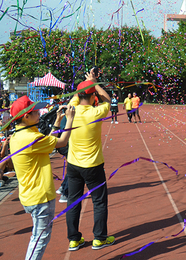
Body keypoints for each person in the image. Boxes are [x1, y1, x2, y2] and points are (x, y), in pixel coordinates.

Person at [9, 96, 73, 260]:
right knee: (40, 239)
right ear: (26, 117)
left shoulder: (20, 134)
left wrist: (58, 120)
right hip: (39, 196)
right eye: (35, 112)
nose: (39, 114)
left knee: (39, 236)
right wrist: (70, 120)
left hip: (30, 194)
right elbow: (62, 142)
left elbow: (49, 140)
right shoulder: (30, 138)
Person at [66, 69, 114, 251]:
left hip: (73, 165)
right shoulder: (96, 112)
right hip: (93, 165)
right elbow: (108, 100)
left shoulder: (72, 109)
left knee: (73, 200)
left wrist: (89, 85)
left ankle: (73, 239)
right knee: (99, 202)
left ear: (77, 96)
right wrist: (95, 83)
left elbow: (79, 97)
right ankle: (99, 238)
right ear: (94, 97)